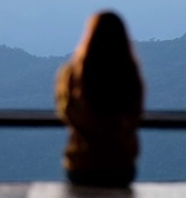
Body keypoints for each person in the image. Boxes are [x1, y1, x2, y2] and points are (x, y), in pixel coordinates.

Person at [55, 10, 145, 188]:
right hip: (120, 164)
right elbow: (136, 113)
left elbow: (65, 111)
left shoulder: (71, 75)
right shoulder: (129, 75)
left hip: (81, 165)